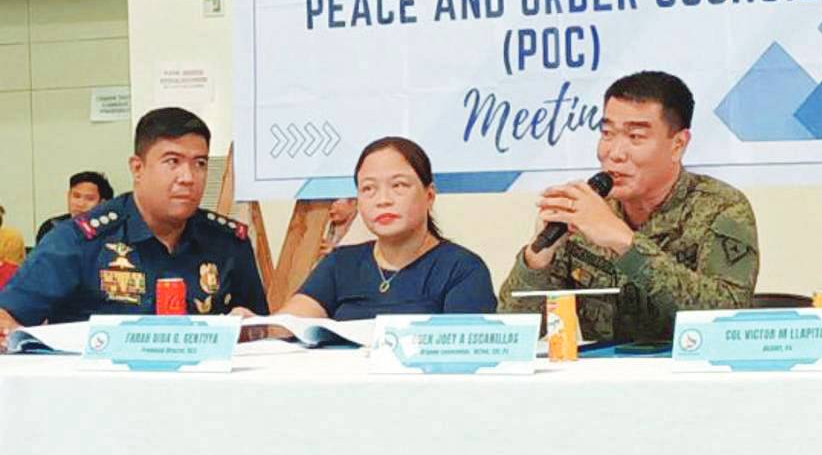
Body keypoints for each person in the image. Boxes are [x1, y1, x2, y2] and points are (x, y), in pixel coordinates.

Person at [498, 71, 759, 343]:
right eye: (607, 133)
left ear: (678, 145)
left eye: (635, 137)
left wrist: (625, 242)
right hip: (603, 379)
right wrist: (538, 258)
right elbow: (512, 335)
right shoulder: (584, 210)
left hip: (692, 377)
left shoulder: (721, 207)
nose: (615, 153)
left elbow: (728, 319)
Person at [0, 107, 268, 340]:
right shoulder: (79, 241)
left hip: (201, 392)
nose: (188, 177)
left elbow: (260, 328)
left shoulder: (227, 242)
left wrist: (253, 328)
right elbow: (7, 316)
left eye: (199, 163)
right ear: (137, 168)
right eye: (172, 162)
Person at [241, 137, 495, 321]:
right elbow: (290, 323)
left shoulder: (463, 269)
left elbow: (465, 355)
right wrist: (254, 325)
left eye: (398, 186)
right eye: (368, 189)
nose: (382, 199)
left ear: (429, 195)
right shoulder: (341, 264)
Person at [35, 171, 115, 244]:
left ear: (103, 203)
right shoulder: (51, 227)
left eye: (89, 199)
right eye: (76, 196)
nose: (80, 204)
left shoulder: (113, 232)